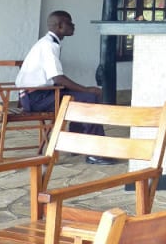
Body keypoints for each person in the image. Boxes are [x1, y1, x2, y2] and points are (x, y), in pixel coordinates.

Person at [16, 10, 113, 164]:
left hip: (35, 94)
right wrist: (86, 89)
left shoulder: (48, 42)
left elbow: (56, 79)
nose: (73, 26)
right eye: (70, 23)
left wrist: (82, 90)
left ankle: (76, 145)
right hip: (36, 98)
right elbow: (58, 78)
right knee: (89, 98)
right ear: (60, 26)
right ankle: (95, 153)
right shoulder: (49, 45)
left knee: (82, 98)